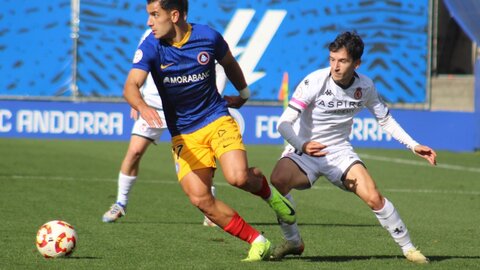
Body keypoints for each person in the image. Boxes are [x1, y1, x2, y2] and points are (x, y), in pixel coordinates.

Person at [122, 0, 296, 262]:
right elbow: (131, 85)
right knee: (200, 199)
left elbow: (229, 63)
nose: (149, 22)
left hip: (216, 119)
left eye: (154, 15)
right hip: (183, 134)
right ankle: (257, 240)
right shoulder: (151, 45)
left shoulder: (207, 36)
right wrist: (141, 105)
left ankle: (271, 196)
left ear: (175, 15)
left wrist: (244, 94)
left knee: (237, 177)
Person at [269, 31, 437, 264]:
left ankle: (409, 249)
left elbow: (385, 119)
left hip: (338, 151)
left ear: (356, 63)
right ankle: (293, 242)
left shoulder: (365, 86)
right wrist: (302, 145)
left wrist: (414, 145)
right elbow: (283, 123)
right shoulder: (314, 81)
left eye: (342, 61)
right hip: (304, 148)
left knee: (374, 197)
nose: (335, 66)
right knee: (278, 179)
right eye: (332, 59)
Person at [102, 29, 218, 228]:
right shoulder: (149, 36)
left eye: (156, 14)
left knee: (199, 160)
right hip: (152, 107)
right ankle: (120, 203)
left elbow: (213, 69)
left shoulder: (193, 37)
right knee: (134, 152)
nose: (152, 20)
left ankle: (211, 208)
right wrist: (136, 103)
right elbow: (138, 70)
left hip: (184, 109)